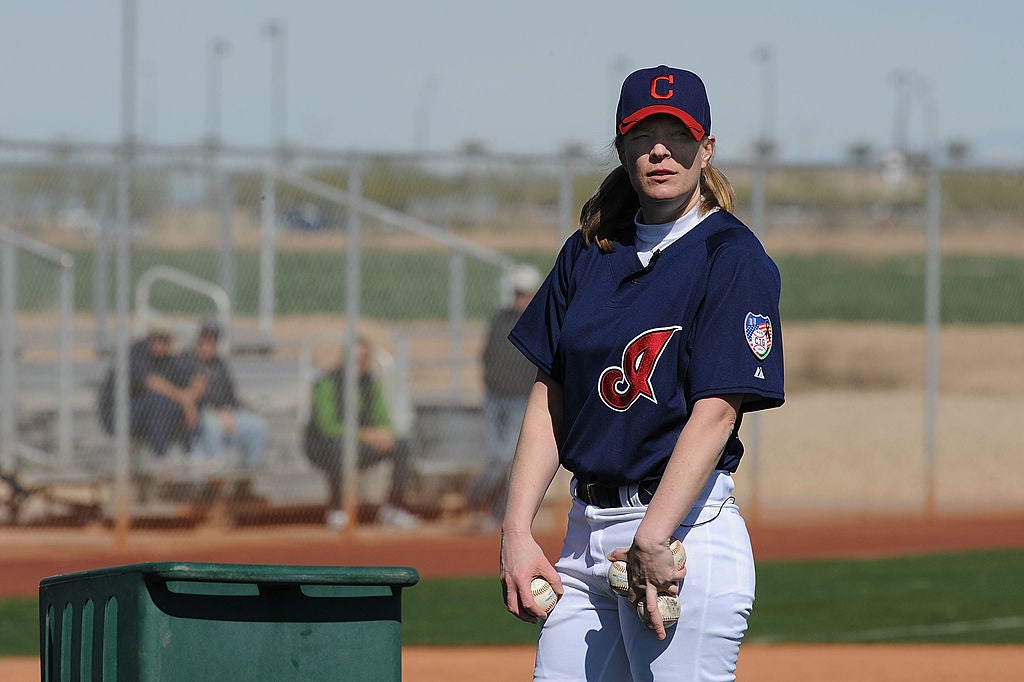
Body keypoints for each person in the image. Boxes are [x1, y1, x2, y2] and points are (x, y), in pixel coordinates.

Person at [499, 66, 785, 681]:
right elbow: (552, 391)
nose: (661, 150)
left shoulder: (731, 256)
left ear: (705, 148)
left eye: (678, 134)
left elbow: (716, 411)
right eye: (643, 134)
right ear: (622, 148)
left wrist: (655, 539)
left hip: (682, 531)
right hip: (583, 537)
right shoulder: (589, 250)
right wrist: (516, 530)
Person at [303, 337, 421, 530]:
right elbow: (328, 426)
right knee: (340, 446)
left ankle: (393, 508)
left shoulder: (370, 384)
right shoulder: (327, 382)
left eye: (362, 360)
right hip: (322, 446)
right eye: (354, 360)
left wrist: (384, 434)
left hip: (360, 444)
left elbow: (383, 419)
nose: (358, 365)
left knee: (402, 445)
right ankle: (339, 510)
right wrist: (365, 435)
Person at [466, 264, 541, 530]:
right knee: (497, 457)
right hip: (495, 398)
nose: (522, 298)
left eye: (527, 293)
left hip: (521, 399)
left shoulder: (540, 319)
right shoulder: (500, 319)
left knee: (506, 457)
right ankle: (482, 507)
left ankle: (486, 507)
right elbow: (487, 355)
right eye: (518, 292)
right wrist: (490, 382)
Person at [183, 319, 268, 495]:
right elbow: (189, 396)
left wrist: (231, 411)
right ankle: (215, 487)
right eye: (205, 339)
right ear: (198, 340)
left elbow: (231, 396)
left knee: (257, 426)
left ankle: (245, 485)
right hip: (200, 414)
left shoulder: (219, 364)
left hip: (226, 413)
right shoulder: (186, 361)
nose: (209, 344)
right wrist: (218, 412)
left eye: (213, 340)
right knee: (213, 426)